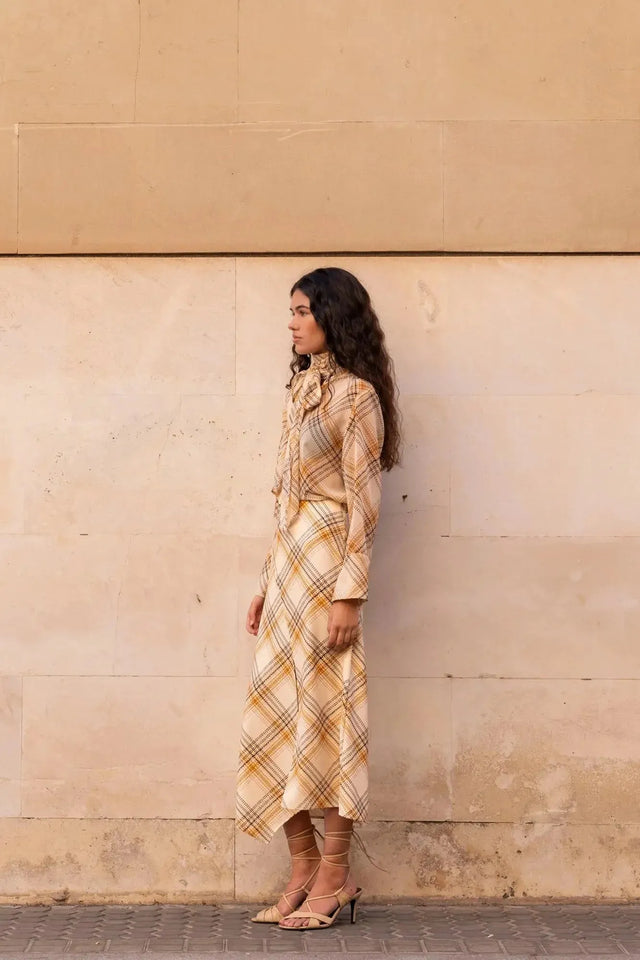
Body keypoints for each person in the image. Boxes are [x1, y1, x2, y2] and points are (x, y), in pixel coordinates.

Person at [236, 267, 401, 930]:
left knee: (328, 717)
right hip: (290, 574)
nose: (293, 321)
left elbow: (364, 503)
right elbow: (285, 503)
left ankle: (336, 872)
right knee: (275, 716)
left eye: (303, 310)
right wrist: (265, 581)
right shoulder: (299, 389)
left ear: (335, 315)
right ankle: (302, 864)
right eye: (292, 311)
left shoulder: (355, 397)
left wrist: (349, 598)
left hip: (330, 568)